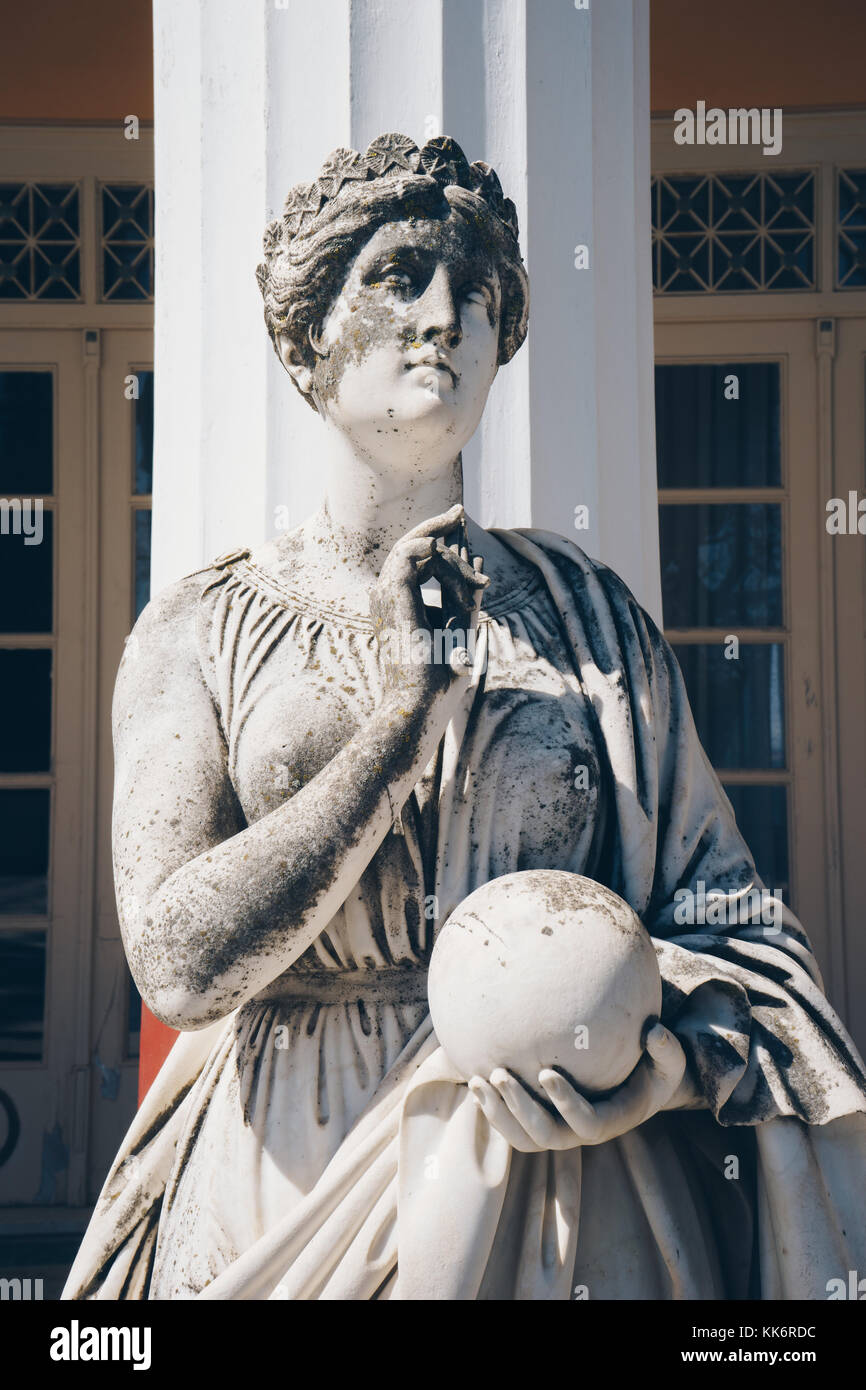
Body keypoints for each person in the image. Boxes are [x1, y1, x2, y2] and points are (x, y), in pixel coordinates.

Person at [65, 134, 866, 1301]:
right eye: (400, 276)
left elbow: (736, 931)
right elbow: (178, 965)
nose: (446, 316)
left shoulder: (592, 620)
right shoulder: (194, 630)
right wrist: (398, 729)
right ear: (305, 339)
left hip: (573, 1177)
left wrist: (663, 1068)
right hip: (281, 1171)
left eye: (477, 293)